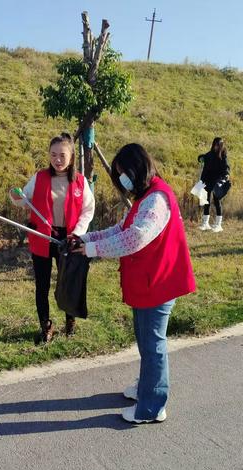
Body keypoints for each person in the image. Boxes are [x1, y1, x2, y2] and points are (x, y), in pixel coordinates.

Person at [75, 143, 195, 424]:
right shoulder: (147, 196)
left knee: (153, 344)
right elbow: (121, 229)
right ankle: (146, 387)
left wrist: (92, 250)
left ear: (137, 168)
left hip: (160, 282)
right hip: (148, 282)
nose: (122, 180)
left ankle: (152, 407)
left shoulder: (157, 200)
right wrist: (87, 239)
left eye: (123, 173)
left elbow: (134, 238)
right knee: (145, 340)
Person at [9, 133, 95, 343]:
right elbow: (23, 200)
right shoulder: (39, 178)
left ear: (72, 157)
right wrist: (15, 196)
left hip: (69, 239)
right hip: (42, 238)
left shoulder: (80, 182)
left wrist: (79, 232)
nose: (57, 160)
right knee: (42, 286)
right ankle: (45, 326)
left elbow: (88, 210)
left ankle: (70, 320)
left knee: (68, 283)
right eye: (53, 155)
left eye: (62, 155)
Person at [197, 137, 230, 232]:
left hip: (218, 181)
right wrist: (200, 158)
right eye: (214, 144)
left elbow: (226, 168)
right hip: (207, 179)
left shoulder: (223, 155)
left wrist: (226, 175)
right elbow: (203, 157)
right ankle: (205, 223)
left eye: (217, 145)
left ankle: (218, 225)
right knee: (205, 200)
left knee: (216, 201)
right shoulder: (210, 154)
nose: (215, 146)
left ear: (220, 146)